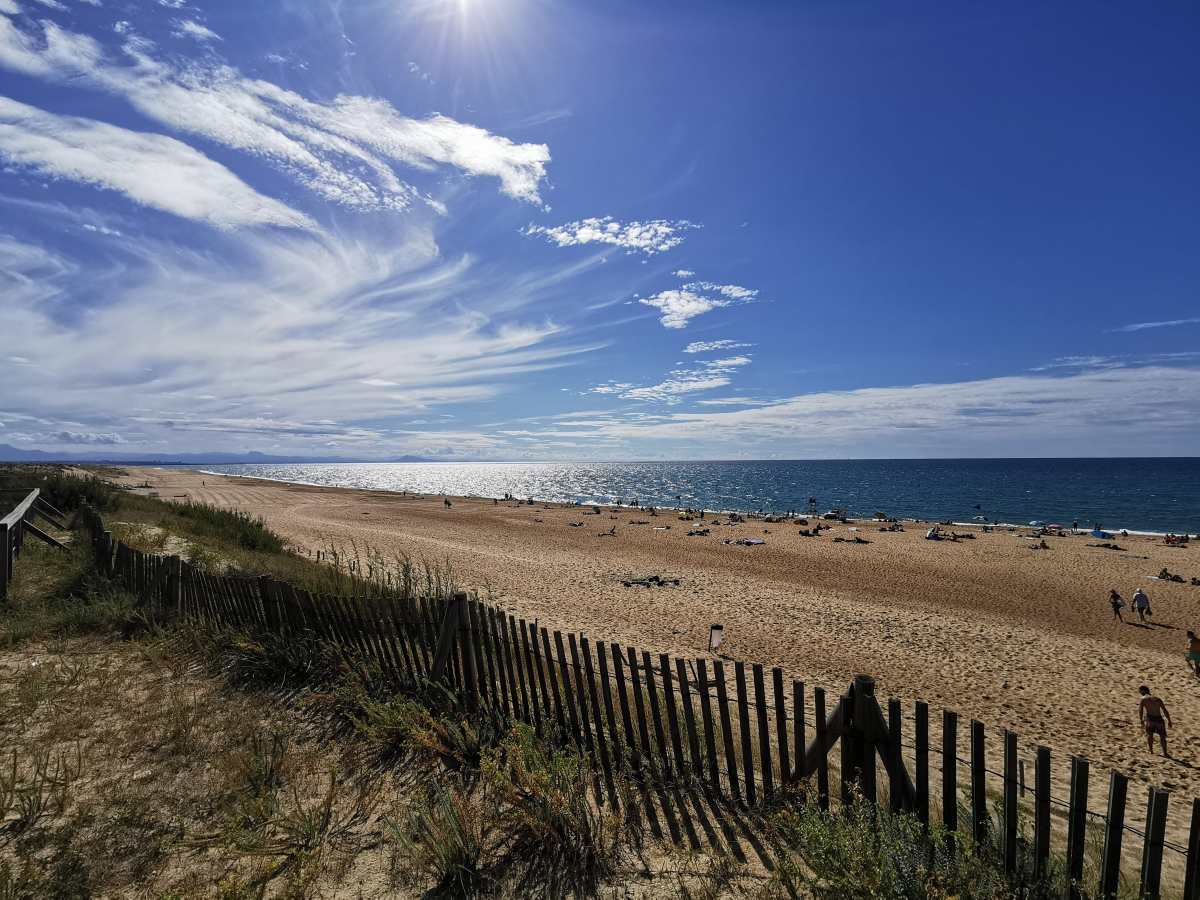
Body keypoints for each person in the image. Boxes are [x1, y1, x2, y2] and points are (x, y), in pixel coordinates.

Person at [1139, 686, 1172, 756]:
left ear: (1143, 691)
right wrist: (1169, 720)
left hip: (1150, 719)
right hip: (1159, 719)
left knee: (1149, 735)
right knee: (1162, 736)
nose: (1140, 693)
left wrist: (1141, 720)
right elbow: (1165, 710)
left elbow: (1140, 710)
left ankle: (1151, 751)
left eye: (1140, 691)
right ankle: (1165, 753)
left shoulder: (1143, 699)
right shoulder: (1158, 699)